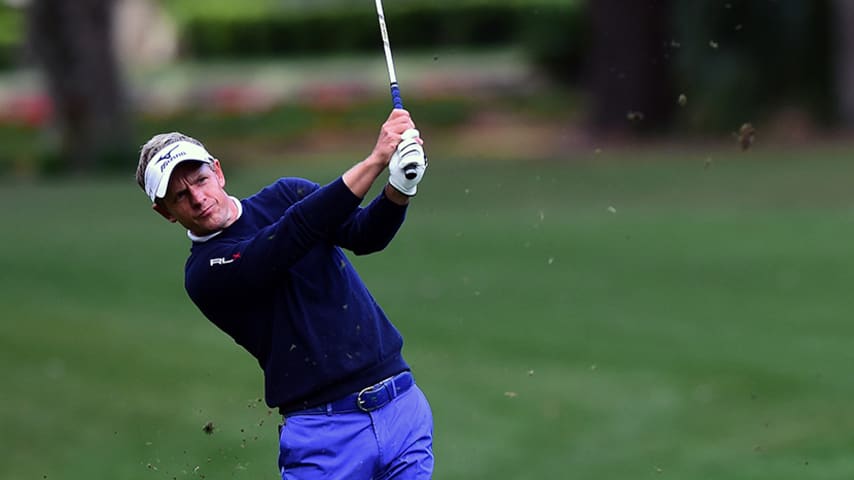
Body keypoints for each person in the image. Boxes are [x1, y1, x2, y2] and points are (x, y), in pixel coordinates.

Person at [135, 109, 433, 479]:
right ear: (165, 213)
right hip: (324, 436)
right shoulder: (204, 273)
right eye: (180, 195)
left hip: (401, 406)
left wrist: (400, 189)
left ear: (219, 171)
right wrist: (375, 161)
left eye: (200, 179)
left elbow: (364, 235)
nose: (198, 197)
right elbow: (287, 239)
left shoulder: (286, 194)